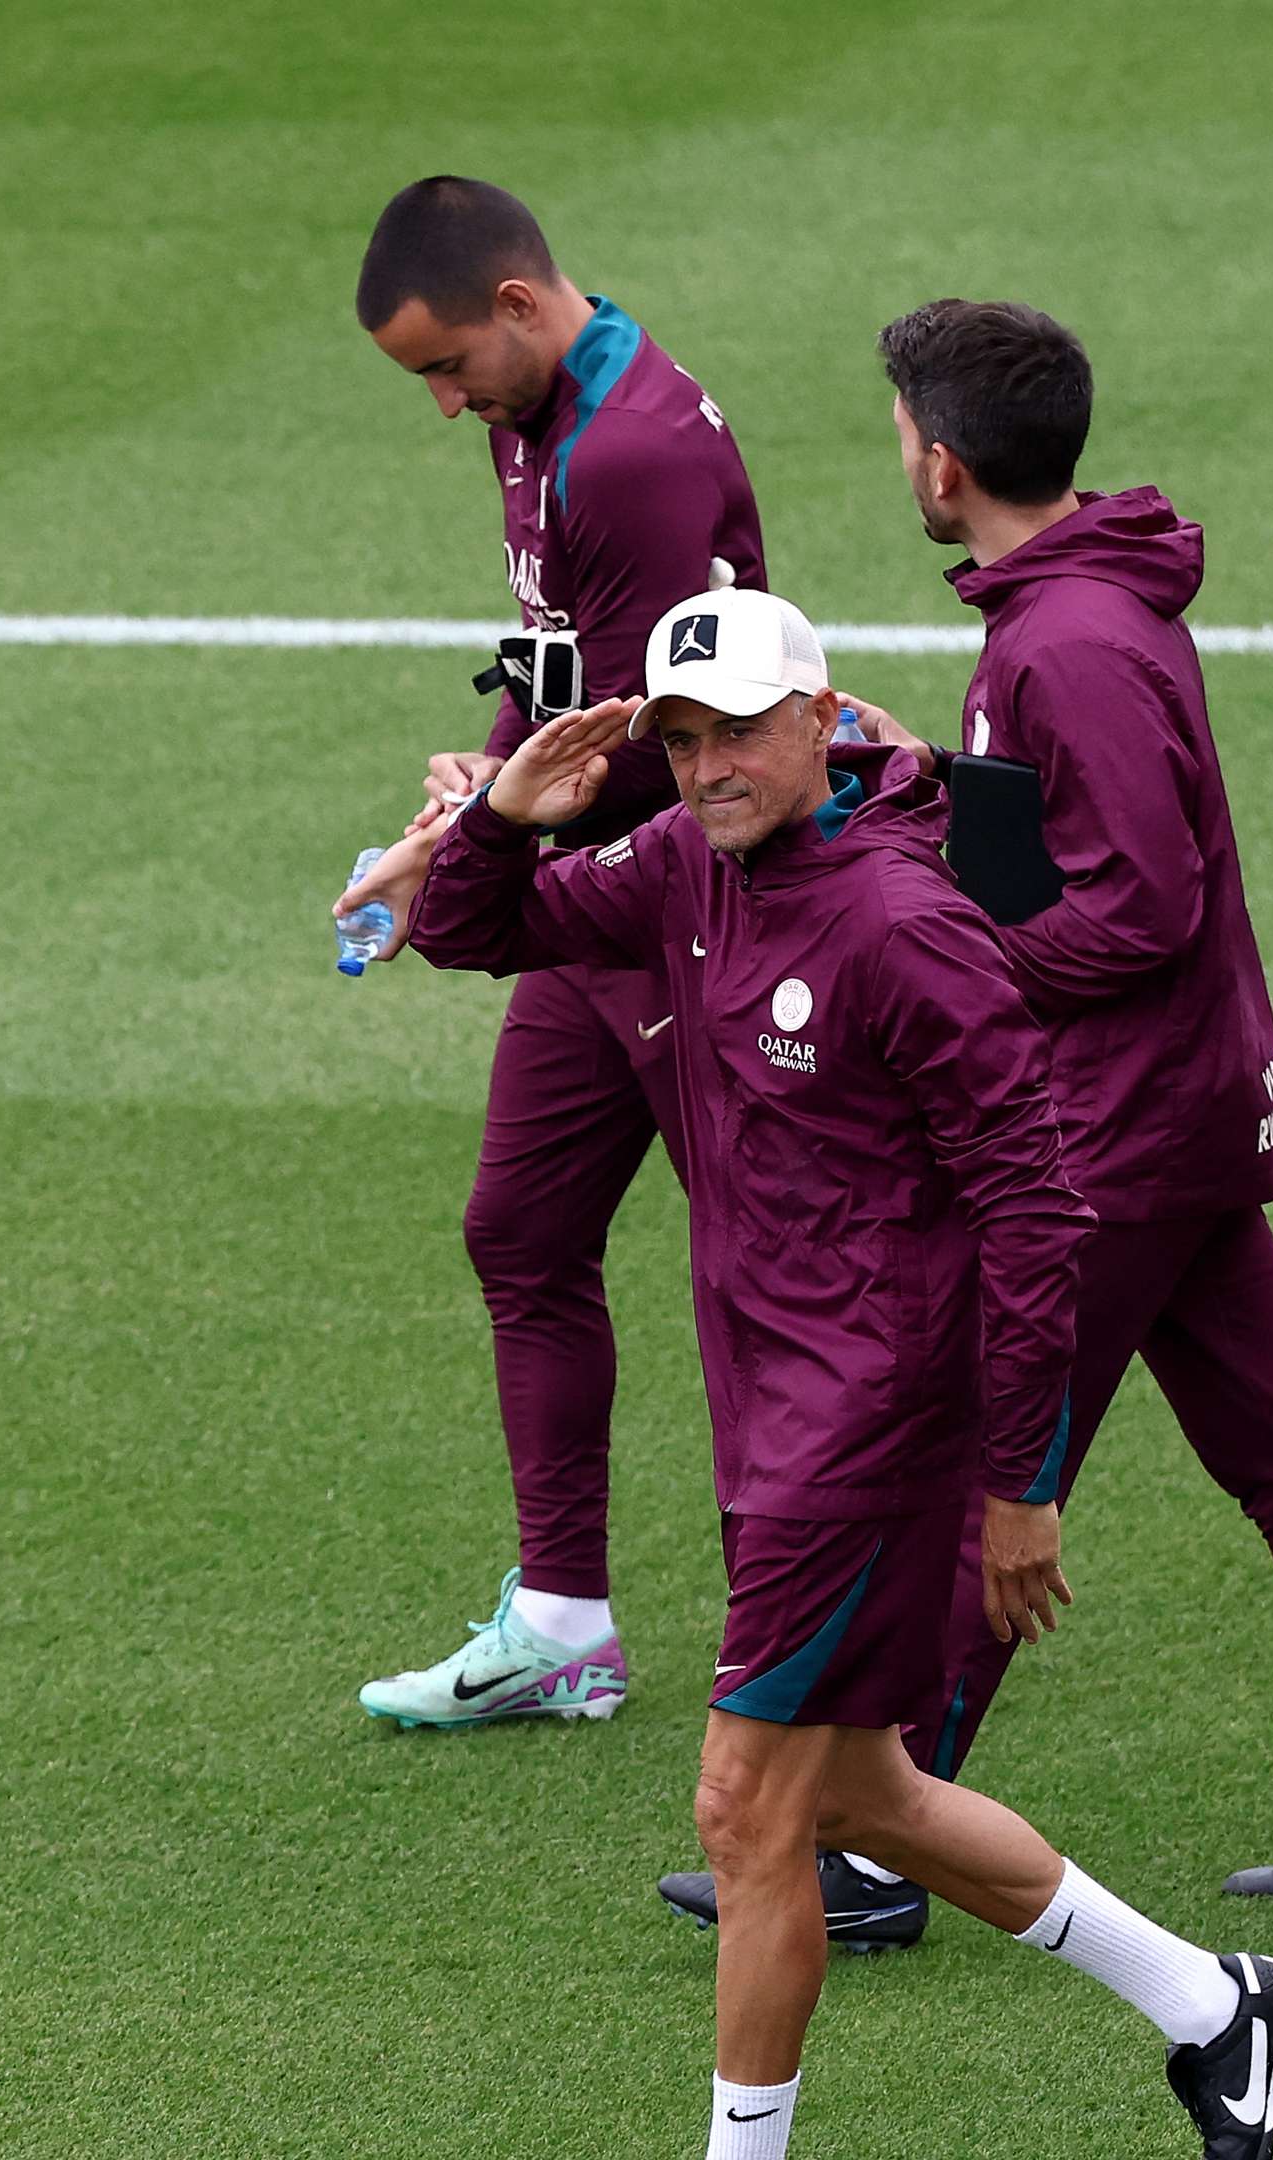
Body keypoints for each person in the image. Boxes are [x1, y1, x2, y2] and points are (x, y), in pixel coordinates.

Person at [339, 588, 1273, 2160]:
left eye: (739, 727)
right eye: (682, 734)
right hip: (772, 1410)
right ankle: (1219, 2009)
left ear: (818, 715)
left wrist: (1019, 1487)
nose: (712, 762)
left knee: (743, 1811)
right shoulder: (681, 865)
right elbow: (471, 932)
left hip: (872, 1433)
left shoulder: (905, 929)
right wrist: (510, 816)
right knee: (869, 1798)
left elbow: (1037, 1211)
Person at [654, 300, 1273, 1948]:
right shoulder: (1067, 613)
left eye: (900, 431)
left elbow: (1140, 907)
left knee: (986, 1474)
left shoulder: (1068, 640)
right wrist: (925, 786)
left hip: (1117, 1127)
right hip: (1170, 1114)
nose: (898, 454)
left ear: (943, 461)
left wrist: (947, 943)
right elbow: (1074, 843)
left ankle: (879, 1854)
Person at [344, 175, 767, 1727]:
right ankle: (564, 1621)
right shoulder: (545, 417)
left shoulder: (630, 454)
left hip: (677, 905)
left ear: (518, 305)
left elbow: (677, 741)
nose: (449, 407)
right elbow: (567, 678)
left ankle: (803, 1645)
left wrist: (482, 840)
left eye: (449, 368)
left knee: (755, 1277)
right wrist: (475, 787)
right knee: (519, 1228)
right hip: (584, 894)